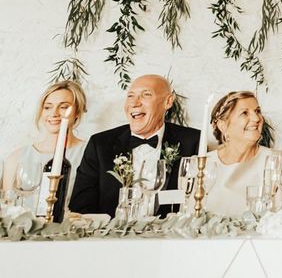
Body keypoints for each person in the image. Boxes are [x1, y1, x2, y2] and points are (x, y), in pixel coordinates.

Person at [69, 74, 199, 216]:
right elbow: (80, 207)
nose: (134, 103)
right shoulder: (100, 144)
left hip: (168, 236)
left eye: (146, 95)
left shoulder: (192, 142)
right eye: (130, 96)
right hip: (111, 236)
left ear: (168, 102)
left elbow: (198, 202)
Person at [2, 80, 88, 211]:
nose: (54, 113)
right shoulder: (17, 157)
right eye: (47, 107)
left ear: (78, 112)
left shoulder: (90, 154)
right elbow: (7, 208)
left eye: (64, 107)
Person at [204, 90, 276, 217]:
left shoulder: (274, 160)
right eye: (244, 113)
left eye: (257, 111)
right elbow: (189, 217)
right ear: (223, 126)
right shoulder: (203, 164)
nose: (256, 118)